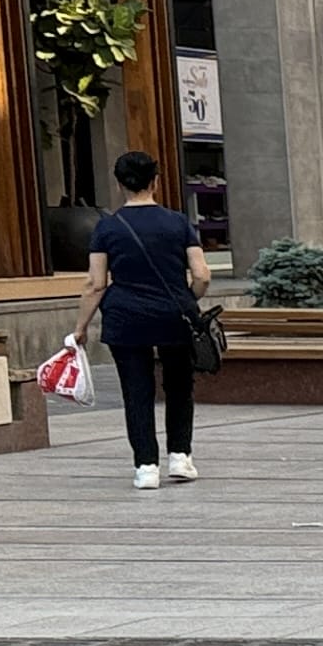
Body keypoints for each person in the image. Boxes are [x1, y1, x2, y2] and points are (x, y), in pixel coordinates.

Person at [73, 150, 209, 491]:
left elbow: (95, 283)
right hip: (174, 316)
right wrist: (187, 300)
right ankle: (180, 457)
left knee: (136, 391)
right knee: (179, 386)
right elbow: (202, 274)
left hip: (125, 317)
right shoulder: (178, 223)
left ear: (120, 184)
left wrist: (80, 327)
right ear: (155, 182)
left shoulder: (107, 226)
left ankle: (146, 466)